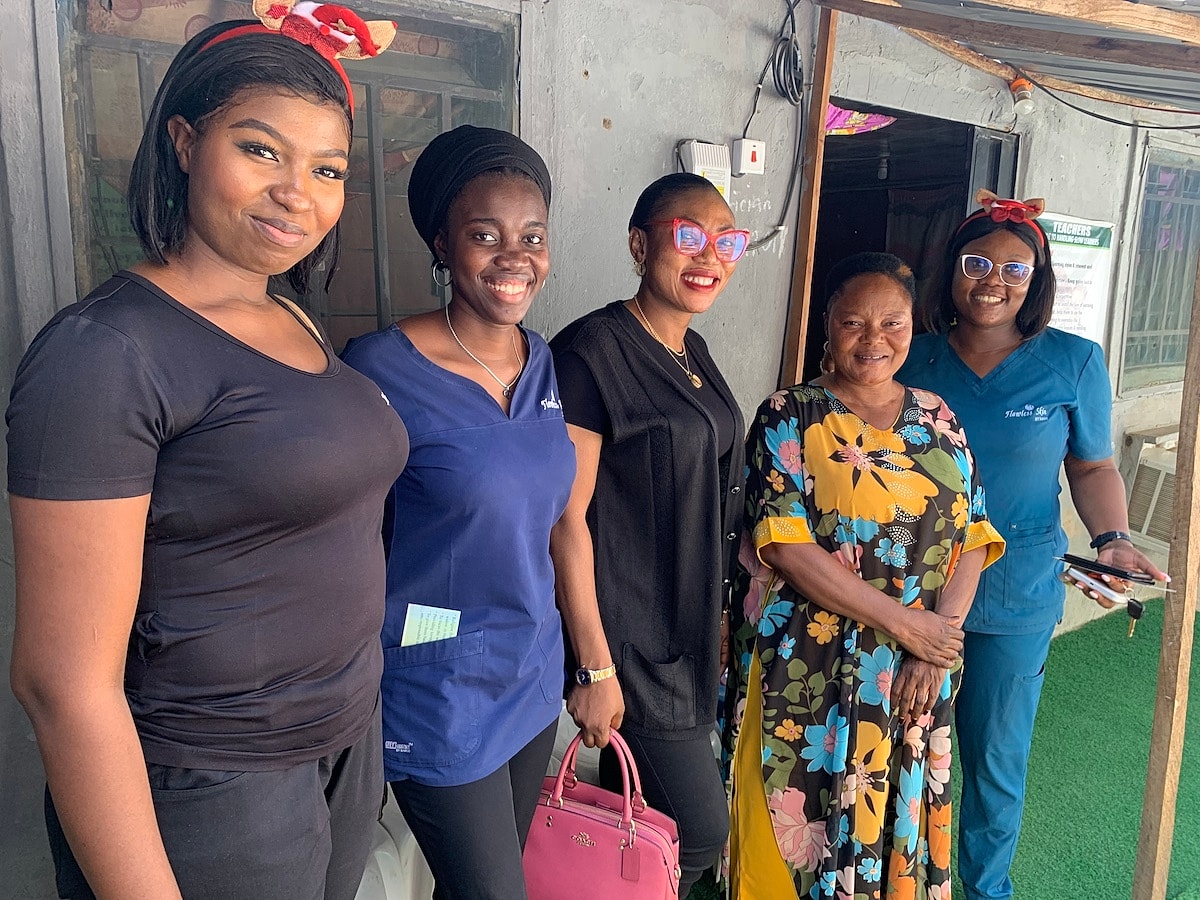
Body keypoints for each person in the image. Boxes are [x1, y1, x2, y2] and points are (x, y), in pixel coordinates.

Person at [6, 10, 406, 900]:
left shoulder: (293, 317)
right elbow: (60, 683)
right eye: (261, 150)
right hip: (214, 782)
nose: (297, 192)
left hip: (343, 744)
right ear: (185, 141)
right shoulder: (107, 353)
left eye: (328, 168)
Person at [897, 193, 1168, 900]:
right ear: (952, 270)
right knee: (897, 742)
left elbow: (1092, 466)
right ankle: (891, 883)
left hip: (1013, 592)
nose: (995, 280)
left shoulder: (1073, 362)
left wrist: (1112, 540)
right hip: (905, 589)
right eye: (978, 262)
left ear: (1038, 280)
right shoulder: (909, 355)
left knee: (993, 758)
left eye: (1016, 269)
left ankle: (986, 890)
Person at [724, 252, 1007, 899]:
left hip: (912, 678)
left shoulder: (940, 418)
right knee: (792, 834)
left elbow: (975, 535)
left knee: (892, 836)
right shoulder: (788, 415)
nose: (874, 339)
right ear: (828, 324)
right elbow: (785, 544)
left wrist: (937, 645)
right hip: (808, 667)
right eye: (854, 322)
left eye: (893, 323)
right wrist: (910, 626)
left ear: (915, 327)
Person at [340, 124, 573, 900]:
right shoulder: (380, 369)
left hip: (532, 669)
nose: (514, 257)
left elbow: (553, 519)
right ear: (442, 244)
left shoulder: (541, 361)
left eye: (531, 236)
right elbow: (342, 539)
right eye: (485, 235)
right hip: (435, 683)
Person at [549, 172, 748, 897]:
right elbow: (564, 517)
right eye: (688, 236)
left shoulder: (690, 351)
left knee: (645, 820)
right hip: (630, 639)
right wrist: (594, 667)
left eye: (726, 240)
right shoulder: (592, 354)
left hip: (685, 628)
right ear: (641, 244)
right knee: (697, 832)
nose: (710, 256)